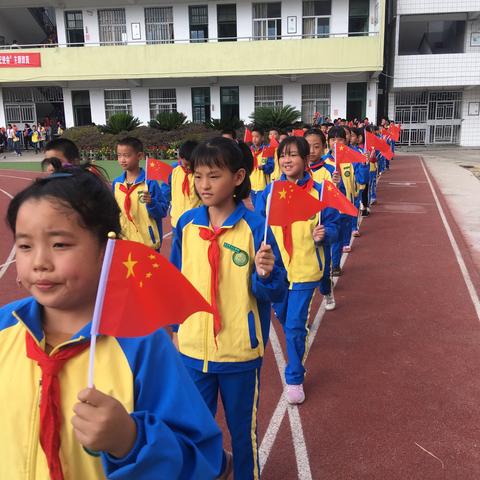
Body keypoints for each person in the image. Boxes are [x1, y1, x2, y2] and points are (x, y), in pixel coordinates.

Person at [1, 166, 226, 479]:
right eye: (25, 246)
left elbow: (205, 462)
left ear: (105, 251)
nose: (39, 262)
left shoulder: (141, 343)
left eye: (60, 244)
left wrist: (130, 440)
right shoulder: (4, 328)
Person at [171, 137, 287, 479]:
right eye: (198, 176)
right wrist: (178, 329)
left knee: (242, 432)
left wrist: (266, 274)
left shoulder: (254, 229)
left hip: (238, 352)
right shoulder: (187, 225)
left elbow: (275, 292)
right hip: (193, 349)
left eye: (214, 176)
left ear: (237, 177)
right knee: (196, 429)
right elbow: (176, 281)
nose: (204, 185)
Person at [255, 136, 339, 404]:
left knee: (293, 326)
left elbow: (337, 225)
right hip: (277, 271)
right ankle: (298, 337)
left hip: (305, 269)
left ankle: (294, 376)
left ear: (305, 160)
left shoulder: (320, 191)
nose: (287, 160)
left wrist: (326, 233)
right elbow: (259, 226)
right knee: (284, 318)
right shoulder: (270, 192)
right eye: (283, 155)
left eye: (293, 155)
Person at [112, 137, 168, 250]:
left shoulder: (150, 183)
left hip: (147, 245)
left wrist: (151, 202)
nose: (122, 160)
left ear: (139, 156)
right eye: (119, 155)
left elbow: (162, 211)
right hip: (124, 242)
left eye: (127, 156)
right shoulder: (117, 183)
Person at [304, 128, 337, 310]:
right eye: (308, 147)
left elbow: (333, 201)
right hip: (301, 231)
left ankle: (327, 291)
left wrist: (336, 184)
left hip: (321, 226)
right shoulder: (297, 171)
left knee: (323, 272)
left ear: (324, 148)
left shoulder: (329, 171)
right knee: (303, 275)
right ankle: (304, 312)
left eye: (316, 147)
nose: (311, 151)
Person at [324, 127, 357, 276]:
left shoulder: (351, 160)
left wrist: (365, 163)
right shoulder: (323, 162)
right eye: (333, 140)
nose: (336, 143)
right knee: (330, 236)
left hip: (345, 205)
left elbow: (361, 181)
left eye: (340, 140)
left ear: (346, 141)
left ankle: (335, 263)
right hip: (328, 208)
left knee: (341, 235)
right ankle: (331, 265)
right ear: (328, 142)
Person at [161, 140, 201, 233]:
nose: (188, 167)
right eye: (186, 164)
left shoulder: (200, 173)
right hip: (176, 222)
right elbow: (166, 192)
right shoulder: (174, 171)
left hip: (195, 223)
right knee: (176, 247)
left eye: (191, 165)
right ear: (180, 158)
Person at [249, 127, 274, 205]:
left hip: (263, 187)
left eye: (257, 136)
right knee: (254, 209)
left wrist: (263, 167)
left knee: (261, 211)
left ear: (262, 138)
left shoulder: (267, 150)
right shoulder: (249, 151)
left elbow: (271, 167)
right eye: (253, 136)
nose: (254, 139)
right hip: (252, 187)